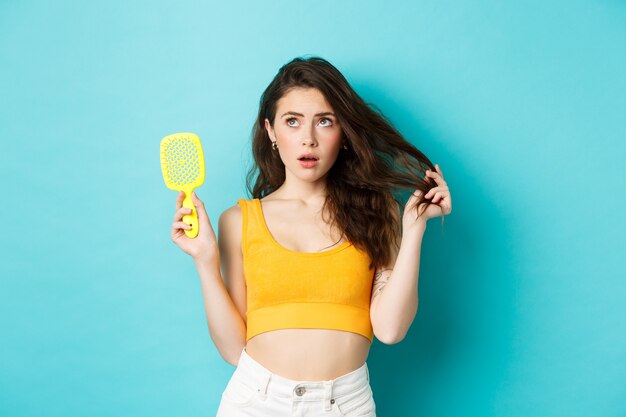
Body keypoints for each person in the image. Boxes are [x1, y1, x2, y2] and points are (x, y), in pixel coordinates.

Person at [170, 56, 452, 416]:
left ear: (344, 132)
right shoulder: (238, 221)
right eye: (292, 122)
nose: (308, 139)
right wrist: (205, 262)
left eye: (325, 121)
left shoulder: (376, 212)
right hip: (256, 402)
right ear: (271, 131)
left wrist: (414, 228)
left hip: (346, 404)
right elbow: (232, 350)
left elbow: (390, 329)